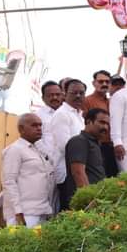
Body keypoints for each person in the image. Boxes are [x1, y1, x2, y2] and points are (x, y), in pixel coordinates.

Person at [0, 114, 54, 227]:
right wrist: (18, 212)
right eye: (34, 125)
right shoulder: (15, 149)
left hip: (43, 211)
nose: (39, 128)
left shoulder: (38, 150)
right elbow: (9, 181)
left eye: (40, 125)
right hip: (25, 214)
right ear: (21, 129)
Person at [46, 79, 86, 211]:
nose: (78, 96)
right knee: (70, 211)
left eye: (81, 93)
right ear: (65, 94)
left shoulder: (79, 115)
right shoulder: (62, 114)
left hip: (79, 170)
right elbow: (65, 147)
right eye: (74, 93)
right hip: (67, 173)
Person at [61, 108, 109, 210]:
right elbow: (78, 172)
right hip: (84, 204)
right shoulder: (79, 141)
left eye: (107, 124)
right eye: (101, 122)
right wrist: (90, 199)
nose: (105, 127)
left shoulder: (95, 144)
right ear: (88, 121)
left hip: (97, 200)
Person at [81, 69, 118, 178]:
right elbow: (84, 123)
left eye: (107, 82)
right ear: (94, 83)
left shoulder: (112, 101)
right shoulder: (87, 101)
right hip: (96, 146)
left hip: (112, 147)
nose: (104, 84)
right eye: (101, 81)